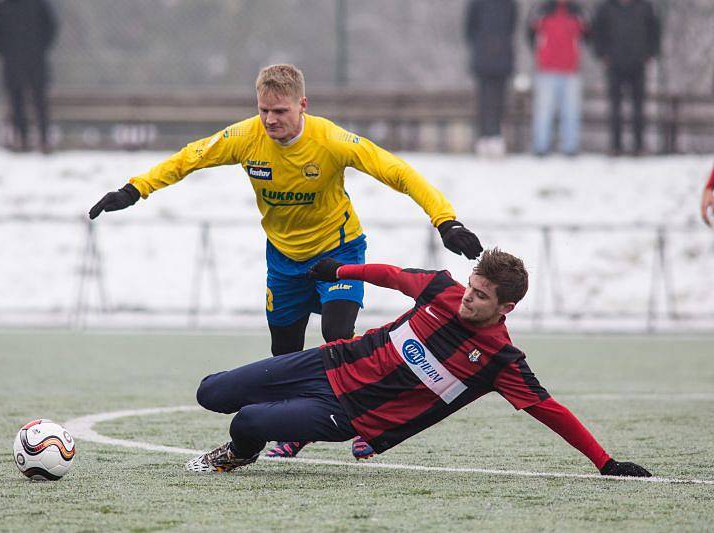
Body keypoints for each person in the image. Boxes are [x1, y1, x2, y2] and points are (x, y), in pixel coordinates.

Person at [88, 64, 483, 460]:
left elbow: (398, 172)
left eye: (280, 111)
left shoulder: (330, 140)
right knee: (286, 355)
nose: (270, 119)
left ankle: (369, 421)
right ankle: (296, 427)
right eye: (264, 110)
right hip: (284, 261)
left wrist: (446, 221)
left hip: (338, 253)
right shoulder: (244, 137)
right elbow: (190, 158)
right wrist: (134, 189)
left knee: (338, 338)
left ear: (302, 106)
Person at [184, 249, 652, 478]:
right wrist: (339, 271)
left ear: (505, 308)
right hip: (326, 362)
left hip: (348, 412)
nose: (468, 299)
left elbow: (550, 411)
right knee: (211, 392)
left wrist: (605, 463)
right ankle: (277, 418)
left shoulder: (501, 361)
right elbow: (391, 275)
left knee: (247, 423)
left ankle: (238, 455)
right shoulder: (442, 289)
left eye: (482, 296)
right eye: (471, 287)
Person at [592, 0, 661, 156]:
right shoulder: (605, 8)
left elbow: (655, 31)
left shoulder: (645, 7)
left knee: (639, 108)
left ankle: (639, 145)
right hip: (614, 65)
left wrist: (650, 53)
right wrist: (602, 55)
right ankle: (615, 146)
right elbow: (597, 32)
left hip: (638, 64)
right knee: (615, 108)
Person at [0, 0, 57, 153]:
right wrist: (6, 52)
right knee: (16, 102)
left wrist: (39, 49)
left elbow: (50, 28)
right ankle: (22, 138)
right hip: (12, 62)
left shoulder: (39, 5)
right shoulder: (2, 7)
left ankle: (44, 139)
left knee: (40, 101)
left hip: (36, 61)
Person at [527, 0, 589, 156]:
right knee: (543, 112)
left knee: (571, 112)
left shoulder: (578, 11)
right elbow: (529, 33)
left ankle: (570, 147)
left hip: (571, 70)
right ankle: (541, 147)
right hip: (546, 70)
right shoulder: (541, 9)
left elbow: (588, 34)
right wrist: (541, 55)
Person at [464, 0, 518, 157]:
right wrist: (482, 45)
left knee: (500, 101)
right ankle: (483, 138)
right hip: (483, 60)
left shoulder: (509, 4)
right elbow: (469, 29)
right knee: (483, 101)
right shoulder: (477, 3)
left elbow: (511, 27)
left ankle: (497, 137)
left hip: (503, 60)